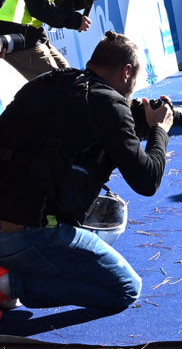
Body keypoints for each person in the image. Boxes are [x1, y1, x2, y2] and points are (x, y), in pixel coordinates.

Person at [0, 32, 172, 313]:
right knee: (126, 288)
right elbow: (147, 180)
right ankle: (12, 284)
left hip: (10, 214)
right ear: (126, 72)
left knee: (107, 216)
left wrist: (134, 124)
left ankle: (18, 266)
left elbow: (66, 138)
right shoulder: (110, 105)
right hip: (26, 235)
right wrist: (159, 131)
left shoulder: (48, 82)